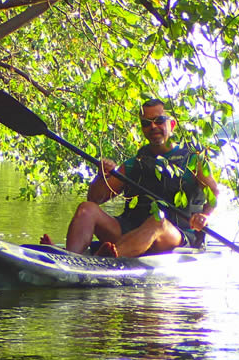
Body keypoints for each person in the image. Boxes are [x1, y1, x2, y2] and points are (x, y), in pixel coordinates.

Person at [50, 98, 220, 257]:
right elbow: (95, 198)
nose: (153, 127)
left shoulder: (194, 160)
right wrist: (101, 176)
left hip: (175, 236)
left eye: (159, 121)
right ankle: (69, 257)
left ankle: (110, 255)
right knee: (87, 208)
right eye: (146, 123)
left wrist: (205, 216)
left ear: (172, 124)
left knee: (157, 219)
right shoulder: (134, 164)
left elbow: (214, 194)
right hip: (131, 231)